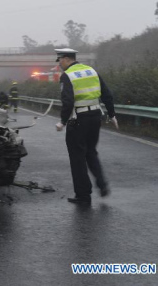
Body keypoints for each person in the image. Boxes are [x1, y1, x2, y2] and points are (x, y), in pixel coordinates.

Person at [54, 48, 118, 204]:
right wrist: (112, 114)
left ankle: (83, 195)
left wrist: (62, 121)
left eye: (60, 60)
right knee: (91, 152)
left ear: (66, 59)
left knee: (77, 157)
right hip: (95, 117)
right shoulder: (91, 71)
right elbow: (107, 94)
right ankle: (102, 185)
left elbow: (68, 101)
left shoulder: (67, 76)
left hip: (78, 119)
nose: (59, 64)